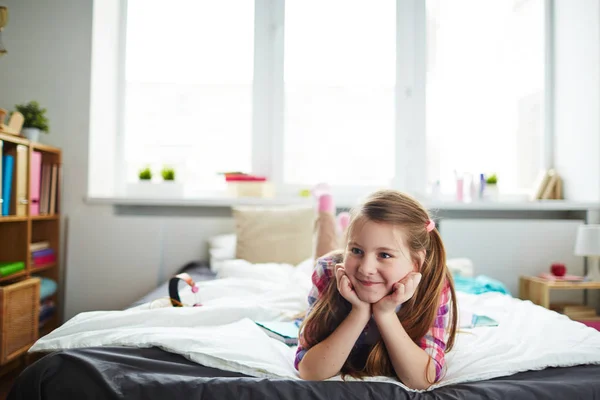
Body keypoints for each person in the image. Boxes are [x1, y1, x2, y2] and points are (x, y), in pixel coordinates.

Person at [295, 189, 458, 390]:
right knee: (325, 255)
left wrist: (385, 314)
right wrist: (359, 312)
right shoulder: (328, 271)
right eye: (356, 250)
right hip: (337, 265)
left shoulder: (434, 284)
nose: (366, 268)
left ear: (416, 262)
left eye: (385, 255)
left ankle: (347, 232)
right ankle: (330, 219)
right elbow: (310, 371)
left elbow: (422, 380)